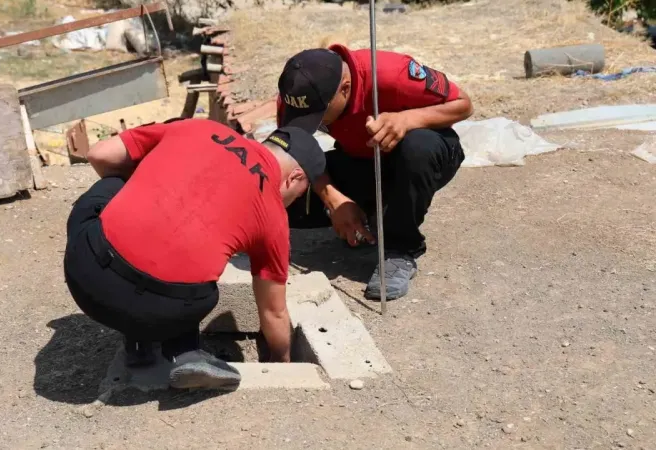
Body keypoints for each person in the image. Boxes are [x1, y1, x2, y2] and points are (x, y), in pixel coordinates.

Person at [63, 117, 326, 390]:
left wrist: (140, 191)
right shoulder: (273, 214)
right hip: (159, 314)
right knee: (194, 283)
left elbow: (99, 154)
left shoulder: (201, 128)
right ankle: (184, 351)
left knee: (116, 181)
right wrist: (282, 361)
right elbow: (274, 311)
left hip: (84, 276)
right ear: (294, 177)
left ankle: (140, 350)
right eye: (297, 195)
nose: (291, 203)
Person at [276, 44, 474, 301]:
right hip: (360, 159)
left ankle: (400, 249)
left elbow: (464, 104)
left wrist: (408, 120)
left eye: (319, 115)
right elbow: (295, 148)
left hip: (421, 155)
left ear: (345, 89)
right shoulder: (296, 93)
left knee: (418, 148)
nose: (314, 122)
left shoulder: (392, 73)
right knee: (282, 195)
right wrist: (333, 200)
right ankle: (366, 213)